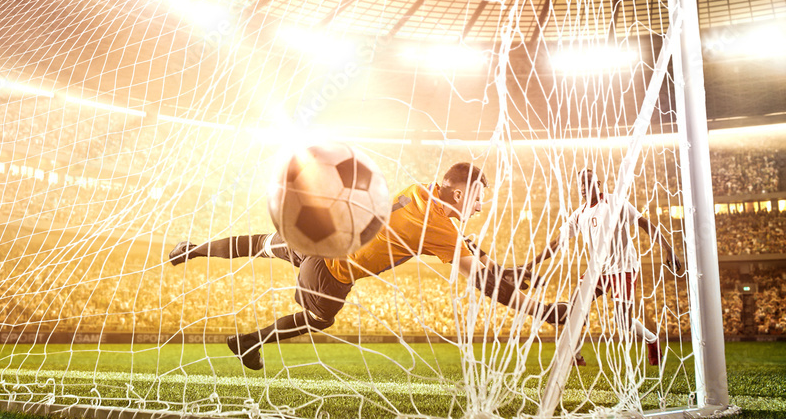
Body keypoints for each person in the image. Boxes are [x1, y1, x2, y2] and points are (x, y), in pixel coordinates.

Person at [168, 162, 568, 370]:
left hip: (323, 238)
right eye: (478, 198)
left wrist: (534, 265)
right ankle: (249, 342)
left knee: (259, 243)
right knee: (319, 319)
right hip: (329, 275)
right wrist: (542, 311)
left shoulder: (418, 191)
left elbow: (487, 264)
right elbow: (484, 280)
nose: (480, 207)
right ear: (459, 192)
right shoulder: (441, 230)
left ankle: (194, 249)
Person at [523, 168, 683, 366]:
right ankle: (576, 355)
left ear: (598, 184)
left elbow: (644, 224)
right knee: (575, 307)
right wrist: (531, 264)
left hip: (623, 266)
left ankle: (651, 339)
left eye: (589, 182)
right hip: (598, 269)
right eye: (581, 183)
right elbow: (556, 243)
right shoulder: (579, 214)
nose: (584, 187)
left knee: (623, 320)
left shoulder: (614, 202)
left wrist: (668, 249)